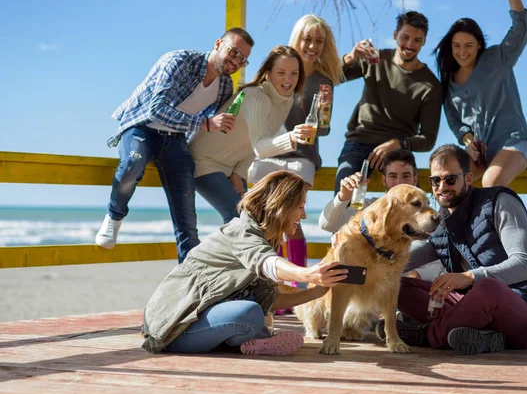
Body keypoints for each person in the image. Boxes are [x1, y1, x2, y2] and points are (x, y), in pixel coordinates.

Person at [375, 144, 527, 355]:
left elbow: (525, 265)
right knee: (396, 284)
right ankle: (483, 337)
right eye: (435, 180)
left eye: (450, 179)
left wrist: (468, 276)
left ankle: (426, 335)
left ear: (467, 179)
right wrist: (364, 263)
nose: (441, 187)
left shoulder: (500, 202)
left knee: (488, 288)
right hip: (472, 307)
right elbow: (402, 260)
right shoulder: (441, 220)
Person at [141, 171, 348, 355]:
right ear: (282, 206)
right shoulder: (241, 230)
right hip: (175, 328)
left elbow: (268, 299)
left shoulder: (267, 239)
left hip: (201, 320)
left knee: (257, 311)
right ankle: (259, 339)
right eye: (300, 207)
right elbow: (265, 261)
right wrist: (307, 274)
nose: (303, 215)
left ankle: (254, 339)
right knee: (249, 313)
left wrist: (316, 292)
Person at [95, 28, 254, 263]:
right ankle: (114, 216)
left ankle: (188, 275)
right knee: (133, 163)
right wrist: (207, 123)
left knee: (187, 215)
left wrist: (236, 172)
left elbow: (211, 132)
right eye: (233, 51)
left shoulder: (224, 87)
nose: (236, 61)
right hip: (142, 126)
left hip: (176, 138)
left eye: (243, 59)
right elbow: (156, 110)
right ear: (218, 43)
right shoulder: (179, 61)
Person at [248, 14, 345, 285]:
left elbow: (322, 131)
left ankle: (297, 285)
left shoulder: (324, 80)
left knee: (292, 220)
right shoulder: (282, 71)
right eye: (307, 39)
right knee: (270, 222)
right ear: (297, 39)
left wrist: (323, 111)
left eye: (319, 41)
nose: (312, 46)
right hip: (273, 152)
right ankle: (273, 286)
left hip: (303, 156)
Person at [189, 45, 312, 225]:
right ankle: (218, 254)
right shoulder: (257, 96)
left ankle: (235, 253)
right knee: (242, 221)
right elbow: (261, 146)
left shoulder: (286, 99)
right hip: (203, 161)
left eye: (294, 73)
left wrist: (238, 174)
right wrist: (292, 137)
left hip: (230, 167)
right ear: (268, 73)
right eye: (281, 72)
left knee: (256, 222)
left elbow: (254, 141)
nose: (288, 79)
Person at [433, 0, 527, 188]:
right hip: (480, 153)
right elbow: (454, 119)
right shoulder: (449, 81)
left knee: (491, 181)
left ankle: (509, 221)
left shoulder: (498, 58)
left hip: (513, 144)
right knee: (448, 181)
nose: (462, 52)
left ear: (479, 44)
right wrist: (468, 141)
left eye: (469, 45)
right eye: (456, 46)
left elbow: (520, 27)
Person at [333, 11, 443, 194]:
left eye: (417, 40)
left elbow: (428, 139)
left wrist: (398, 143)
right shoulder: (374, 59)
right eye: (405, 37)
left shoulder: (430, 85)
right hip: (360, 141)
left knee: (409, 203)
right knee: (343, 196)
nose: (409, 45)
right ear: (395, 35)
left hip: (398, 150)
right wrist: (351, 56)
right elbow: (333, 78)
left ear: (424, 41)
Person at [320, 148, 442, 282]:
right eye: (393, 176)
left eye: (406, 176)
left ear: (415, 179)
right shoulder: (369, 209)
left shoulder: (429, 214)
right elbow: (327, 224)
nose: (400, 182)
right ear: (384, 180)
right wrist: (343, 197)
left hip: (408, 284)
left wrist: (419, 273)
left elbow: (440, 257)